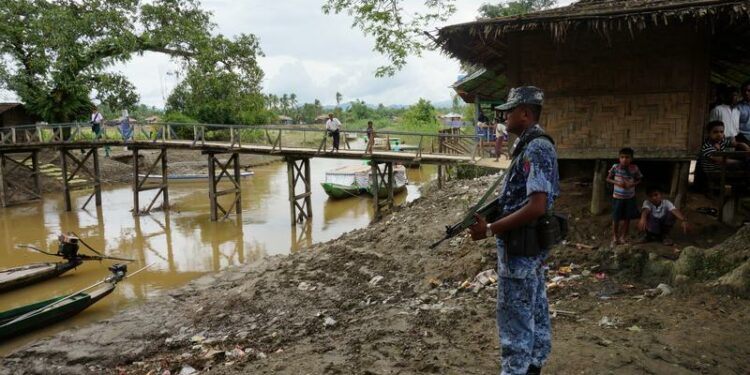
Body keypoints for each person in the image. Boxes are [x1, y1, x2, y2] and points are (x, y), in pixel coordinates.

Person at [468, 86, 559, 375]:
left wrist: (491, 228)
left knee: (514, 319)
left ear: (525, 113)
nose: (504, 115)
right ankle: (532, 367)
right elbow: (522, 197)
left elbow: (536, 206)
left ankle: (518, 370)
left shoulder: (537, 147)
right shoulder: (529, 145)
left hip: (521, 249)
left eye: (509, 110)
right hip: (525, 248)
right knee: (534, 309)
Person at [606, 147, 643, 246]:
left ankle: (623, 237)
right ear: (619, 158)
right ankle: (614, 237)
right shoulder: (615, 167)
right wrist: (617, 182)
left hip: (629, 198)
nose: (624, 159)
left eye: (627, 157)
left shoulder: (634, 168)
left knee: (627, 218)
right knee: (616, 218)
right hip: (617, 198)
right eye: (622, 157)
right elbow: (608, 179)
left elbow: (639, 179)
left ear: (631, 159)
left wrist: (632, 184)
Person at [737, 80, 750, 146]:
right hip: (741, 136)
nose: (746, 93)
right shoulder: (737, 107)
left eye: (749, 91)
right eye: (744, 91)